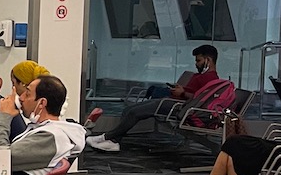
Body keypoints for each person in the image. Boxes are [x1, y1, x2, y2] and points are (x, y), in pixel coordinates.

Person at [87, 45, 223, 153]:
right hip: (172, 102)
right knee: (130, 109)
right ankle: (114, 141)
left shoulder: (211, 79)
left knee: (135, 113)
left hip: (178, 106)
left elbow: (201, 100)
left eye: (198, 60)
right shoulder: (201, 76)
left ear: (208, 60)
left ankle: (106, 138)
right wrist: (180, 90)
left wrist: (182, 93)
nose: (196, 64)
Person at [0, 74, 87, 175]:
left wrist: (3, 117)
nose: (21, 98)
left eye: (27, 94)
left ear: (42, 103)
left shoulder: (50, 137)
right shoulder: (52, 130)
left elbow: (0, 159)